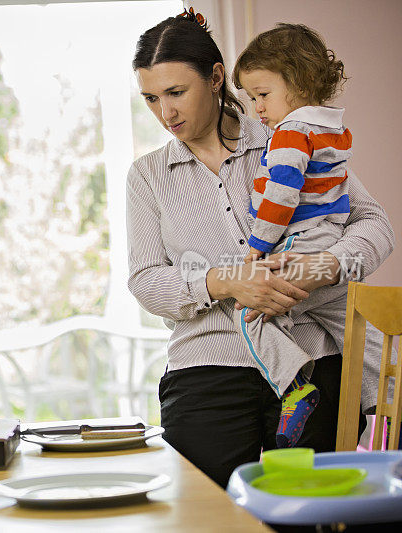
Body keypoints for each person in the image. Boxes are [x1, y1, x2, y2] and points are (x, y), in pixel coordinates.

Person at [128, 9, 393, 487]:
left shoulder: (290, 137)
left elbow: (374, 225)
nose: (164, 113)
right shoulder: (148, 176)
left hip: (312, 357)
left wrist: (327, 266)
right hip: (207, 365)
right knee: (211, 511)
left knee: (307, 505)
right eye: (150, 98)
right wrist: (227, 282)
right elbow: (146, 281)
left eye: (175, 93)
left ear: (214, 78)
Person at [227, 23, 384, 449]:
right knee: (355, 329)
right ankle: (388, 404)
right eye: (250, 98)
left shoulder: (289, 133)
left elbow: (280, 197)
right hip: (331, 242)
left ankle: (295, 386)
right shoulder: (331, 128)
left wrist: (258, 249)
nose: (257, 108)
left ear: (297, 84)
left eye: (262, 94)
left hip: (299, 245)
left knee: (250, 313)